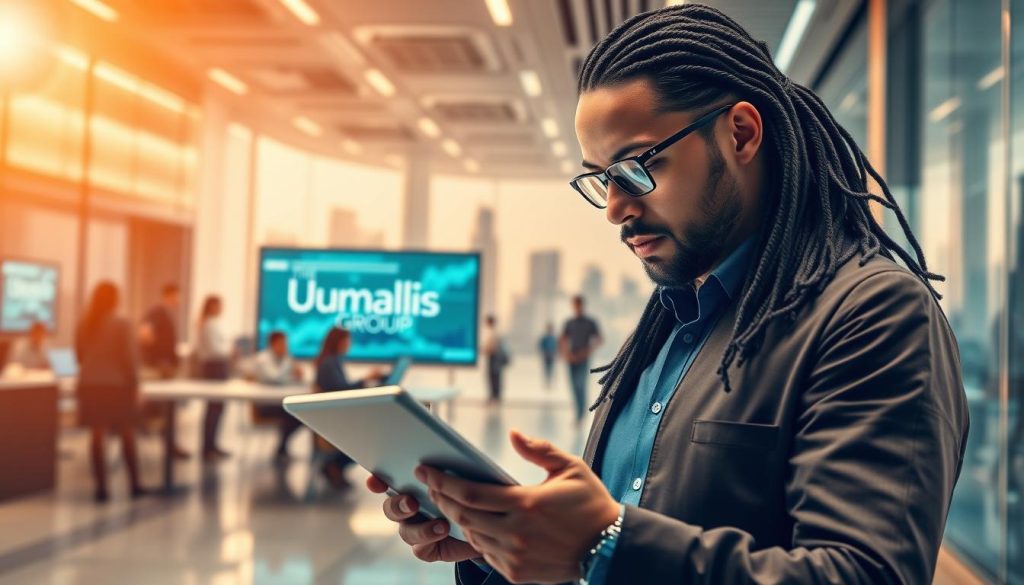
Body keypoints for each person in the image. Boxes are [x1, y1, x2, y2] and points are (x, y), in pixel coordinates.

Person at [367, 5, 969, 585]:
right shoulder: (670, 327)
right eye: (601, 178)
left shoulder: (874, 315)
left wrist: (598, 546)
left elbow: (862, 575)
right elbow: (611, 558)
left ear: (739, 133)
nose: (614, 208)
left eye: (635, 168)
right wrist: (507, 547)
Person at [76, 282, 150, 502]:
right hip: (118, 385)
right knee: (128, 433)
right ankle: (134, 485)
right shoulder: (123, 322)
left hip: (90, 384)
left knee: (97, 436)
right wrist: (136, 384)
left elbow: (79, 354)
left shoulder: (85, 323)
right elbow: (129, 358)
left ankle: (101, 488)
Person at [314, 326, 384, 489]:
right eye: (347, 340)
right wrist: (366, 379)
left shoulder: (333, 360)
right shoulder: (329, 363)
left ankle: (334, 466)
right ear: (338, 342)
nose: (349, 344)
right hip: (333, 417)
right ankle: (333, 465)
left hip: (335, 414)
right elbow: (341, 389)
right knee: (369, 435)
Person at [139, 283, 189, 459]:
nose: (179, 300)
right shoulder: (157, 312)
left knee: (170, 408)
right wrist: (158, 360)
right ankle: (168, 445)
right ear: (169, 295)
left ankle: (170, 445)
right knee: (166, 408)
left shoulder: (166, 313)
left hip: (165, 368)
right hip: (159, 369)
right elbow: (144, 334)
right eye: (177, 296)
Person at [252, 330, 304, 461]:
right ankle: (281, 448)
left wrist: (295, 375)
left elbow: (287, 380)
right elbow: (274, 378)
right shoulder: (262, 358)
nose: (285, 346)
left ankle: (281, 447)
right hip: (265, 405)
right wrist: (289, 364)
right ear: (273, 343)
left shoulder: (284, 359)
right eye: (282, 343)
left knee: (300, 414)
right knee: (293, 414)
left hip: (279, 402)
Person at [195, 295, 231, 461]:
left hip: (216, 367)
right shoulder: (209, 325)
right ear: (212, 307)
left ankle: (212, 445)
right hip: (214, 367)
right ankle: (208, 448)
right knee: (213, 409)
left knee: (216, 409)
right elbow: (215, 350)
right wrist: (230, 352)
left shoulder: (211, 324)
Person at [560, 296, 603, 424]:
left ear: (582, 305)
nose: (576, 307)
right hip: (571, 359)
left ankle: (581, 415)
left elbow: (599, 339)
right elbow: (562, 340)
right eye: (575, 305)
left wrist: (587, 352)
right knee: (573, 386)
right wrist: (566, 354)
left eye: (578, 305)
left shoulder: (590, 322)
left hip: (583, 359)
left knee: (581, 385)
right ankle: (577, 413)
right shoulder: (569, 323)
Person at [481, 315, 508, 407]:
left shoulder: (493, 333)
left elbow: (492, 347)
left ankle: (494, 397)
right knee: (494, 378)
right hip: (494, 359)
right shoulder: (495, 332)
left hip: (494, 359)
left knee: (494, 378)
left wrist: (484, 350)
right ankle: (495, 397)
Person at [537, 323, 557, 389]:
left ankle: (551, 383)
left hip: (552, 356)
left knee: (551, 370)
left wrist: (555, 354)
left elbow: (556, 347)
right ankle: (547, 383)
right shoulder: (544, 338)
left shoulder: (553, 338)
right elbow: (541, 346)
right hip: (546, 356)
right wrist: (544, 353)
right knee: (546, 370)